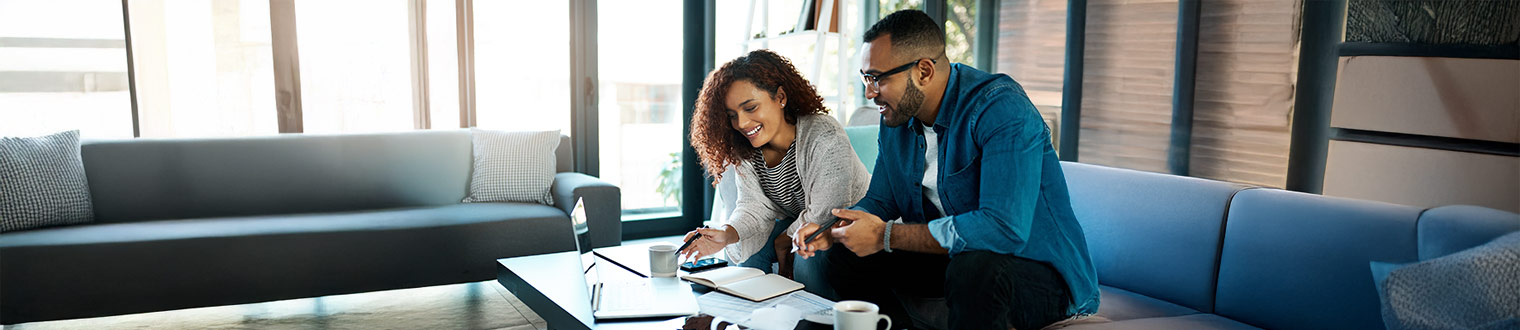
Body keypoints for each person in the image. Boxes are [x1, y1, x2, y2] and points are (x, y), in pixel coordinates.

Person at [793, 9, 1099, 330]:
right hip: (954, 260)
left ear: (924, 70)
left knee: (974, 267)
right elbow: (882, 202)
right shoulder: (897, 117)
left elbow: (1003, 230)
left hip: (1036, 272)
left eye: (879, 78)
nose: (870, 92)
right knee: (841, 256)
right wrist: (835, 229)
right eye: (866, 78)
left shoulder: (1000, 108)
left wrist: (886, 235)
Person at [679, 49, 870, 295]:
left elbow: (826, 213)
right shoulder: (745, 149)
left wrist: (784, 239)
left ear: (780, 97)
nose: (742, 124)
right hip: (800, 222)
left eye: (750, 107)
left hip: (846, 226)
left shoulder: (824, 134)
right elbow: (753, 207)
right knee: (749, 259)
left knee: (807, 258)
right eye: (732, 116)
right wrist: (726, 235)